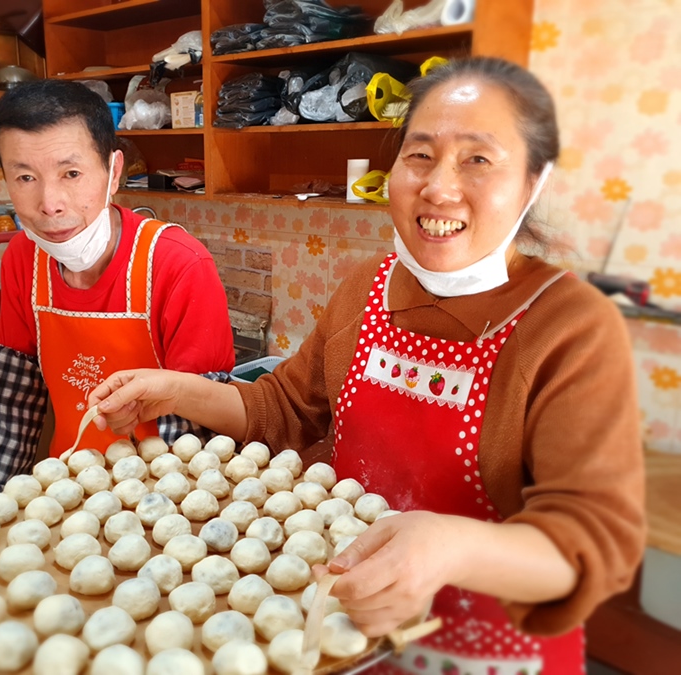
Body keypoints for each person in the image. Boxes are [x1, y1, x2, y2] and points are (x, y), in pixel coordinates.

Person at [89, 57, 645, 673]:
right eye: (420, 155)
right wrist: (177, 390)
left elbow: (592, 543)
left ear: (533, 181)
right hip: (344, 629)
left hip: (489, 650)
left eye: (478, 160)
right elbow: (283, 409)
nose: (439, 188)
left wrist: (450, 545)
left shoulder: (570, 326)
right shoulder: (368, 287)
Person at [0, 80, 235, 621]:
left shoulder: (177, 265)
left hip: (166, 514)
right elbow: (9, 410)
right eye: (25, 177)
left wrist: (163, 546)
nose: (50, 204)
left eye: (71, 173)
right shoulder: (23, 260)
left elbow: (200, 432)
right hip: (64, 501)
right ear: (5, 179)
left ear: (113, 171)